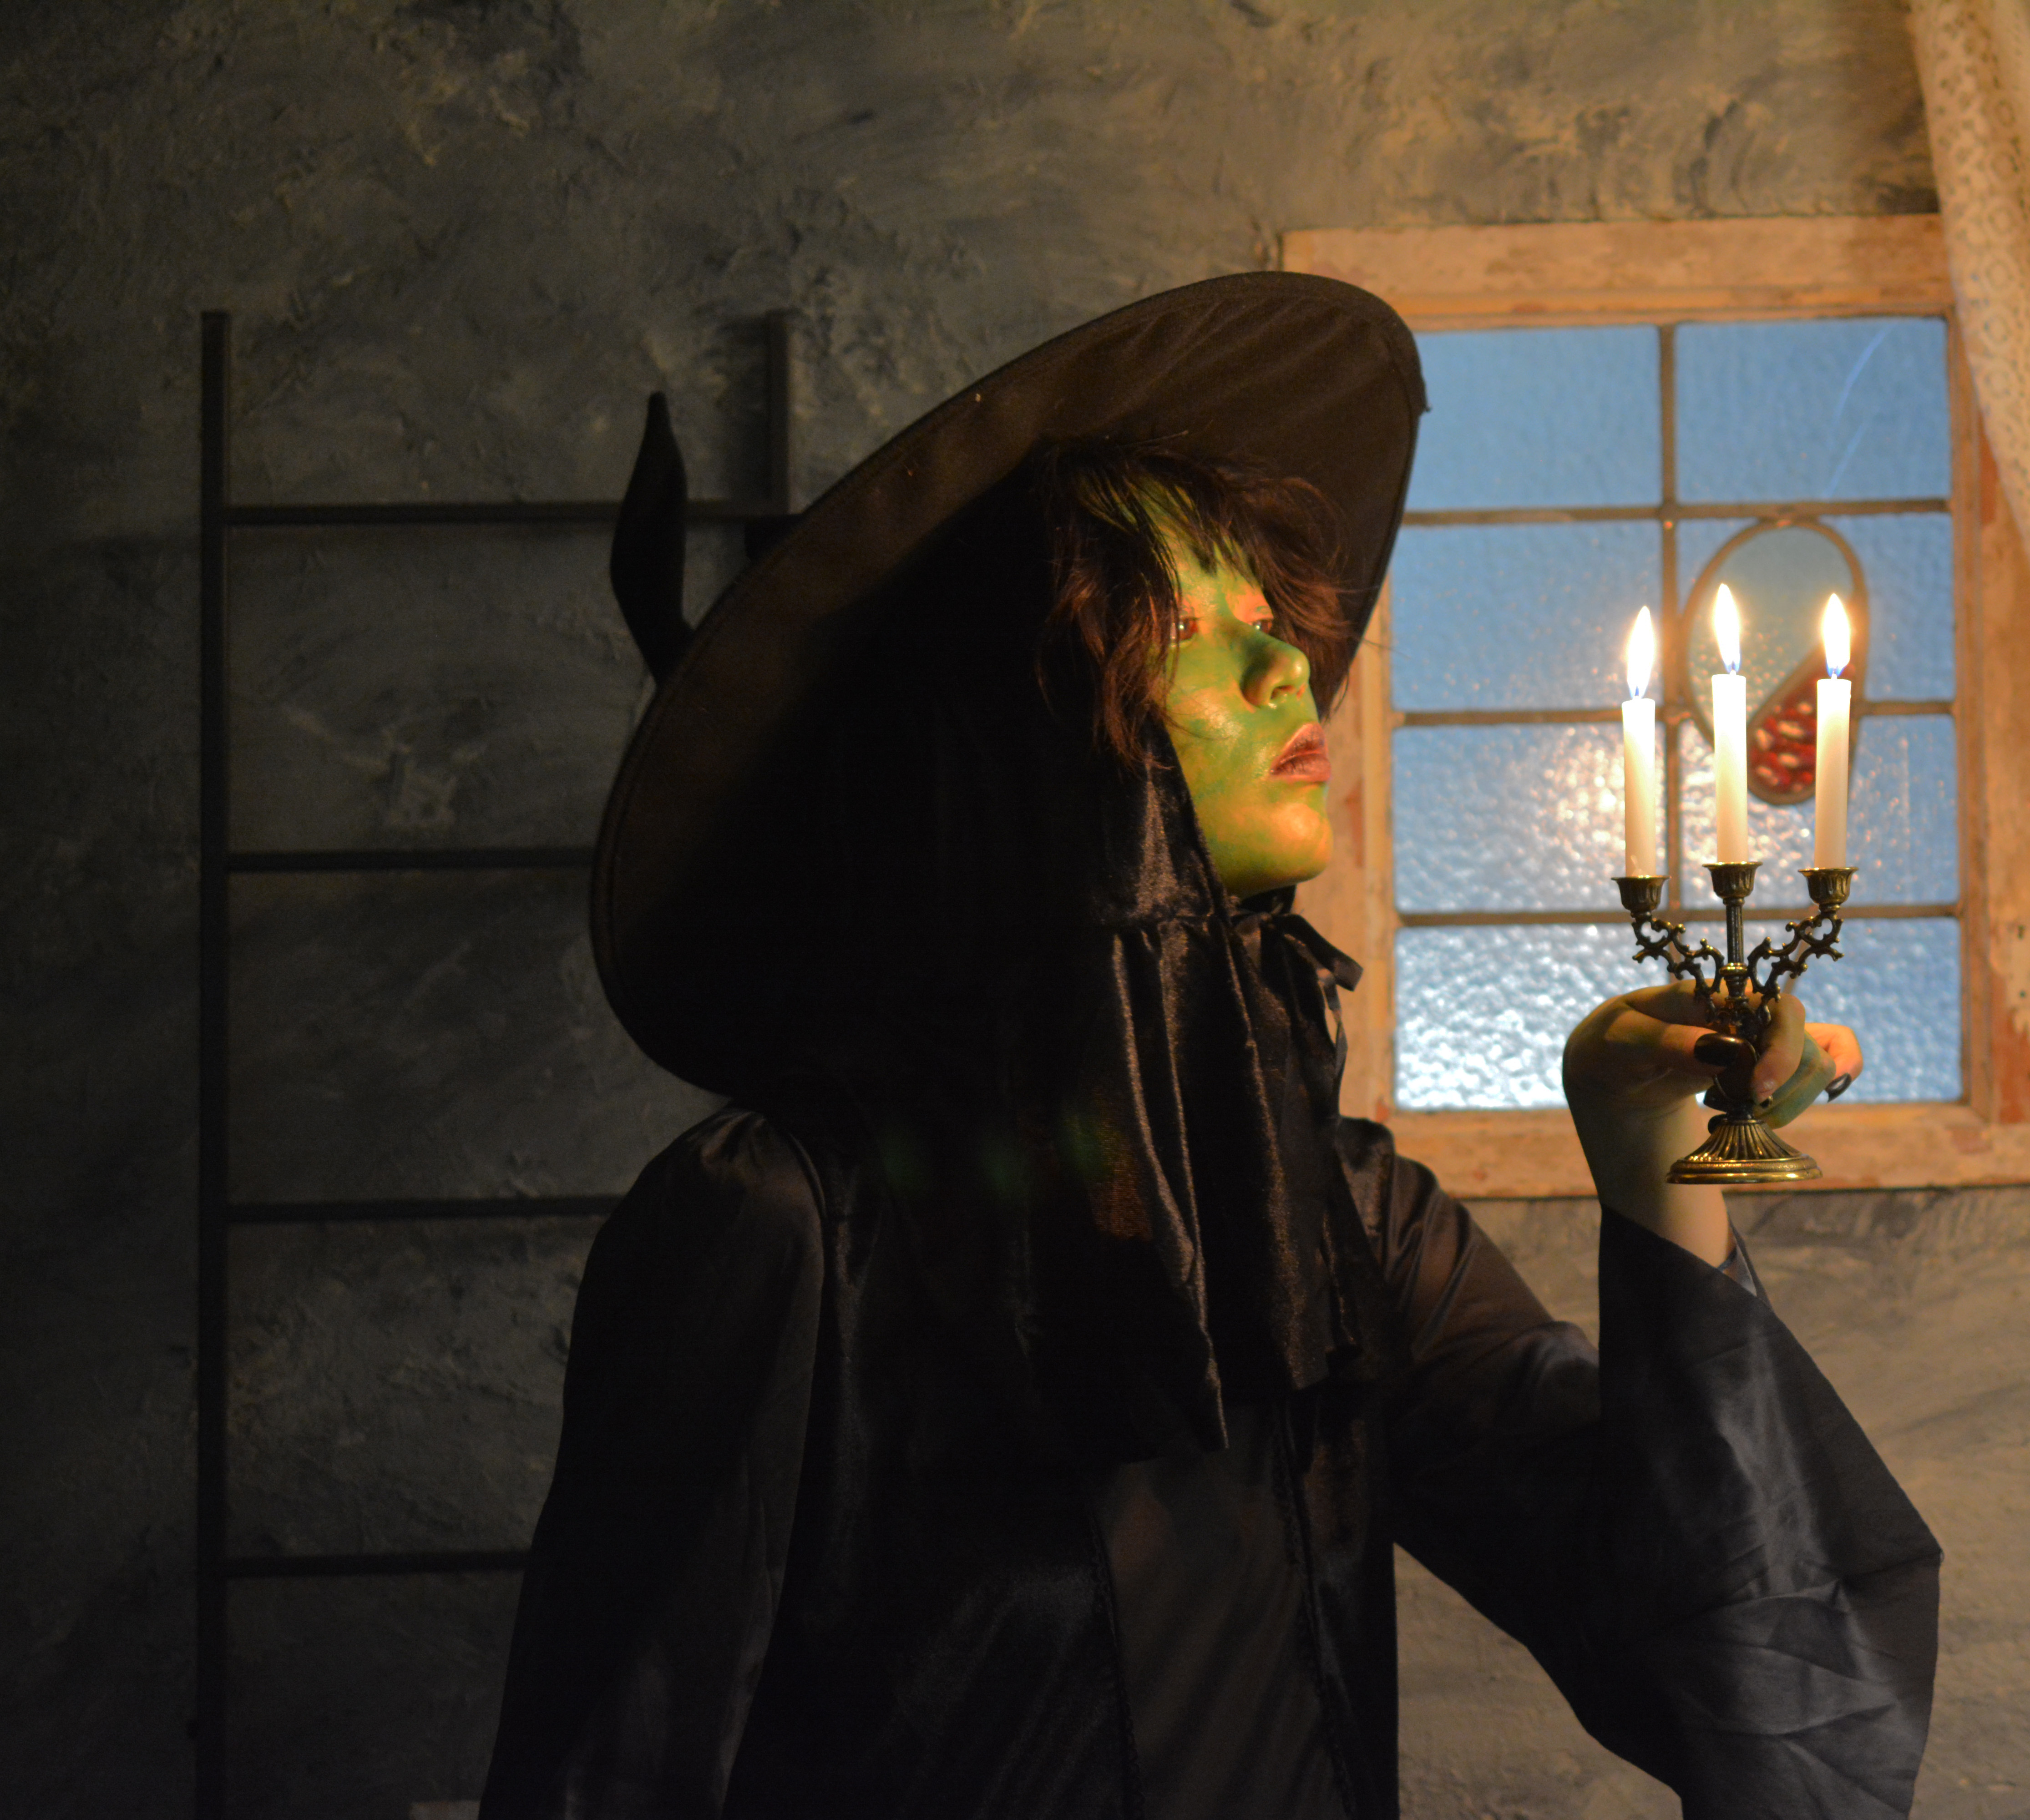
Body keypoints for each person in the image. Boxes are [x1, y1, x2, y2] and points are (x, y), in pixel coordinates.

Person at [480, 273, 1939, 1820]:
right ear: (1025, 732)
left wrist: (1662, 1186)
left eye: (1272, 625)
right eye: (1190, 633)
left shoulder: (1341, 1215)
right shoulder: (779, 1231)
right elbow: (606, 1782)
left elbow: (1749, 1686)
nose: (1285, 669)